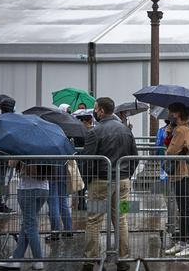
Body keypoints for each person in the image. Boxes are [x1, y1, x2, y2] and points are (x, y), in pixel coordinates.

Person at [81, 97, 137, 271]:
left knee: (94, 220)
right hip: (123, 182)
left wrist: (87, 180)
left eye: (96, 109)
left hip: (100, 182)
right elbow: (134, 156)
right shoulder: (126, 131)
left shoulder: (95, 132)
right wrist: (128, 174)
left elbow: (88, 160)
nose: (94, 112)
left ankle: (91, 260)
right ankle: (124, 259)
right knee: (121, 219)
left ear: (102, 111)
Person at [0, 161, 51, 270]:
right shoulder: (46, 146)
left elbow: (11, 163)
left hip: (27, 189)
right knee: (27, 223)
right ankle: (17, 258)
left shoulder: (24, 146)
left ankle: (38, 259)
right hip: (44, 189)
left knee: (30, 225)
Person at [164, 103, 189, 257]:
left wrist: (171, 138)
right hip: (181, 173)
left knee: (185, 210)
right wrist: (169, 133)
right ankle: (184, 242)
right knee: (183, 209)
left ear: (178, 113)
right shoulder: (183, 129)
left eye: (172, 111)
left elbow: (171, 151)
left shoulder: (182, 130)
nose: (170, 114)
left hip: (182, 173)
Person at [0, 99, 17, 214]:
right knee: (4, 181)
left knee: (0, 181)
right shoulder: (13, 121)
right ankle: (0, 204)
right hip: (6, 155)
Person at [45, 162, 72, 241]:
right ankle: (68, 229)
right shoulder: (63, 150)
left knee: (53, 202)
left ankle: (55, 232)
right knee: (62, 201)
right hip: (62, 169)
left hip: (51, 171)